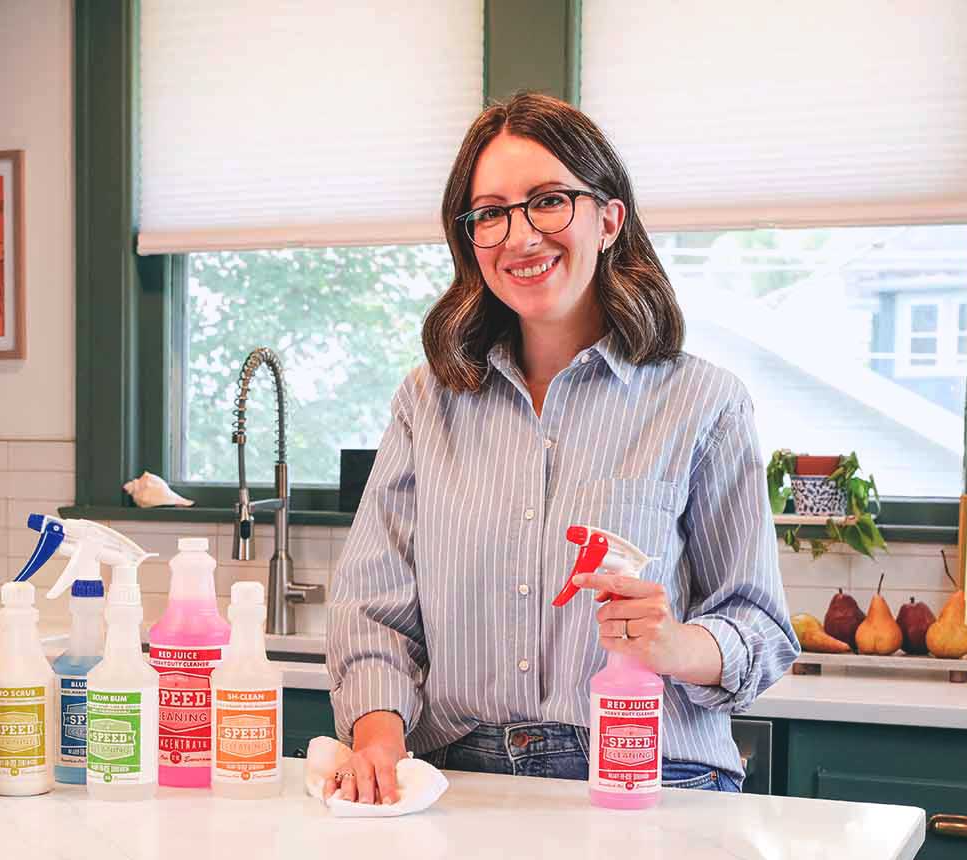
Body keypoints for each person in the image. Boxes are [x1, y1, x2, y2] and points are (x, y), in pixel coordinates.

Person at [324, 92, 798, 803]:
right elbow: (373, 610)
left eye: (548, 201)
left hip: (654, 775)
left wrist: (674, 645)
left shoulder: (704, 402)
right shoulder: (427, 402)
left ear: (608, 219)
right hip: (462, 779)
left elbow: (759, 625)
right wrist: (380, 741)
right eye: (491, 213)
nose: (519, 237)